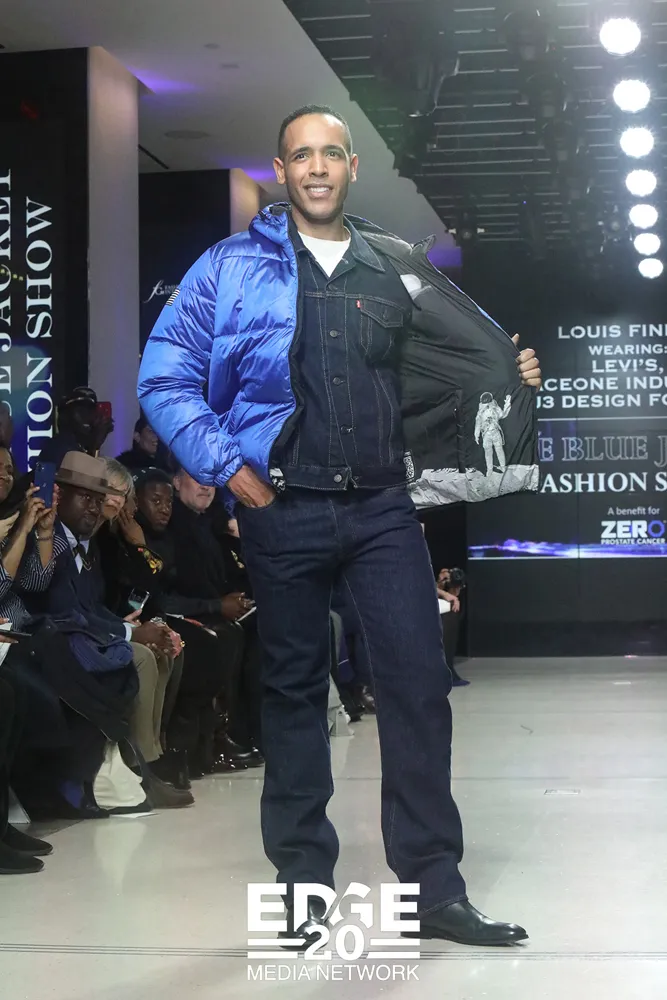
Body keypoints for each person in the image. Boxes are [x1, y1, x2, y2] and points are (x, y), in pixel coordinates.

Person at [138, 105, 542, 946]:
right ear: (280, 170)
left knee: (418, 688)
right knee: (291, 694)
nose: (316, 167)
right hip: (281, 507)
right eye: (301, 155)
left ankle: (433, 892)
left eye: (330, 153)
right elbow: (164, 376)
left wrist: (506, 373)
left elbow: (444, 368)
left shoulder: (391, 265)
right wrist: (227, 467)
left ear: (352, 167)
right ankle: (301, 890)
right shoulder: (228, 267)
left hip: (381, 508)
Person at [37, 387, 114, 468]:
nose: (87, 416)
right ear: (65, 416)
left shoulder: (82, 445)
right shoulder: (56, 447)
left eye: (91, 410)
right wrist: (95, 446)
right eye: (81, 411)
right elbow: (85, 474)